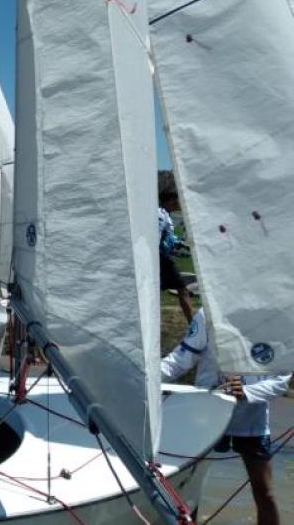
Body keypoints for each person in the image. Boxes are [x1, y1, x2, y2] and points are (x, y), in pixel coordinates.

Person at [160, 307, 289, 525]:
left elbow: (281, 381)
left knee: (264, 492)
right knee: (187, 490)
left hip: (251, 420)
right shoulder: (208, 312)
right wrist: (145, 377)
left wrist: (246, 392)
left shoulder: (278, 317)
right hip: (205, 415)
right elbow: (180, 360)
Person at [158, 190, 194, 321]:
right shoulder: (160, 215)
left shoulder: (165, 214)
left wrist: (182, 246)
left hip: (161, 258)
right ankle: (193, 325)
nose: (177, 203)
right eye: (175, 200)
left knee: (180, 289)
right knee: (182, 289)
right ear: (168, 201)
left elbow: (169, 239)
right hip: (161, 258)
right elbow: (157, 237)